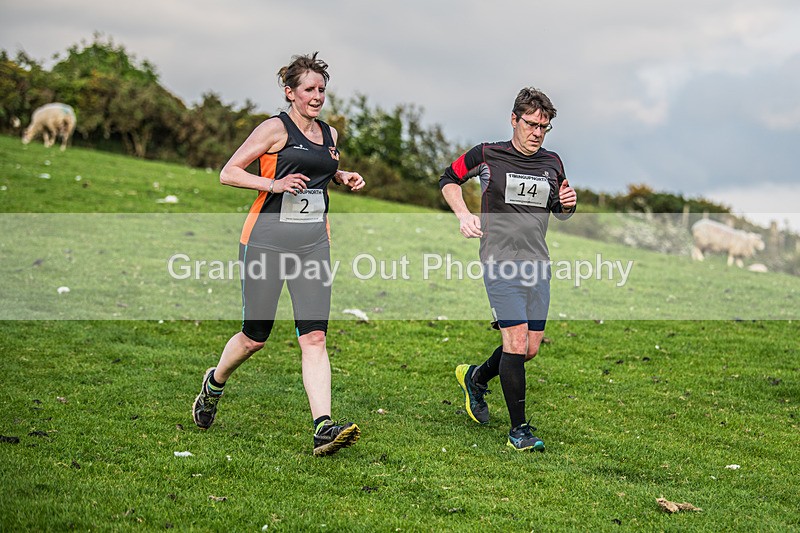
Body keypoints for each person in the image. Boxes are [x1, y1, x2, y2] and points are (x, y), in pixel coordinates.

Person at [192, 52, 366, 457]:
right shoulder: (274, 128)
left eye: (322, 89)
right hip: (266, 241)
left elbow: (318, 171)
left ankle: (323, 427)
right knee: (255, 338)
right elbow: (229, 171)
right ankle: (214, 383)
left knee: (315, 336)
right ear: (290, 92)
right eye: (309, 89)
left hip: (312, 245)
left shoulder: (331, 134)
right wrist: (274, 185)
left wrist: (341, 175)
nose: (317, 96)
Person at [440, 87, 577, 452]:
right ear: (514, 120)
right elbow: (447, 179)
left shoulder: (552, 162)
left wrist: (568, 203)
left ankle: (476, 377)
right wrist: (464, 214)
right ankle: (519, 432)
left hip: (538, 263)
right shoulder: (487, 154)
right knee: (514, 343)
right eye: (530, 124)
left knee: (528, 349)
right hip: (499, 260)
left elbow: (559, 210)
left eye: (543, 127)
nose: (536, 132)